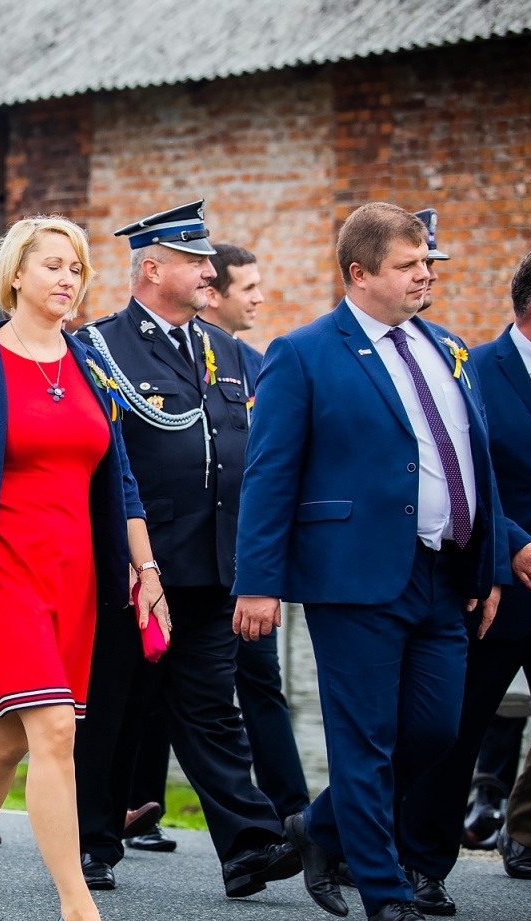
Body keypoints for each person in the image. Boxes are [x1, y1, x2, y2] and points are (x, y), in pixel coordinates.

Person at [235, 202, 506, 921]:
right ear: (359, 274)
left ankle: (320, 826)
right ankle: (385, 896)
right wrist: (257, 582)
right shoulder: (304, 353)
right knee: (366, 738)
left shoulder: (448, 348)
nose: (425, 275)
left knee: (437, 728)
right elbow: (269, 474)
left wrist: (487, 567)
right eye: (408, 265)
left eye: (427, 263)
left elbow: (476, 464)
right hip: (352, 577)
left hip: (444, 573)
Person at [0, 216, 161, 921]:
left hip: (75, 578)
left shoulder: (90, 363)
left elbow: (120, 477)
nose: (67, 279)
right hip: (3, 572)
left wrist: (147, 571)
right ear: (16, 275)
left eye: (76, 268)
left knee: (3, 742)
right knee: (55, 731)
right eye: (52, 264)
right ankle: (78, 916)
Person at [73, 201, 298, 898]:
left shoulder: (227, 351)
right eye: (195, 261)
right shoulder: (99, 347)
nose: (209, 273)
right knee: (115, 708)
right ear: (151, 268)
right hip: (134, 567)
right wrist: (128, 561)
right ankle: (91, 842)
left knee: (210, 705)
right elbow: (96, 462)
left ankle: (248, 844)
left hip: (212, 564)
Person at [396, 247, 531, 909]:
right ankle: (422, 864)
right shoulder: (470, 370)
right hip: (500, 586)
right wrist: (513, 542)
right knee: (454, 732)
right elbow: (461, 477)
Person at [201, 242, 310, 825]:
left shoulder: (258, 363)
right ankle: (123, 809)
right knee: (156, 689)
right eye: (248, 287)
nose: (261, 298)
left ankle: (293, 815)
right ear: (212, 294)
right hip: (182, 555)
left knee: (260, 681)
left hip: (245, 558)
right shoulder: (173, 361)